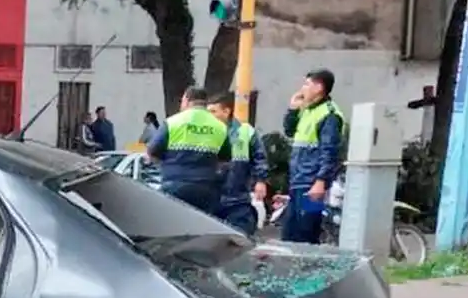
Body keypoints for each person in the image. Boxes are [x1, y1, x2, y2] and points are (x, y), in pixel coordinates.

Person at [282, 69, 345, 244]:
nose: (302, 88)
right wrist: (293, 110)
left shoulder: (329, 114)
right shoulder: (307, 111)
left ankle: (308, 269)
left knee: (307, 232)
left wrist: (320, 182)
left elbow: (329, 151)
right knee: (289, 233)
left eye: (307, 84)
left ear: (318, 87)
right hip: (298, 182)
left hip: (312, 187)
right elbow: (289, 131)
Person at [146, 86, 232, 215]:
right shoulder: (220, 127)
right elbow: (226, 157)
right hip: (206, 188)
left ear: (186, 100)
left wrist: (163, 163)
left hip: (174, 185)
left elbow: (152, 150)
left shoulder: (172, 122)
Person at [207, 93, 268, 236]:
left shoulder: (245, 131)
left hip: (237, 198)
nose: (209, 116)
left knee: (239, 239)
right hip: (212, 197)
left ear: (226, 111)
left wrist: (261, 181)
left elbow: (259, 157)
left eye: (213, 111)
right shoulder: (207, 132)